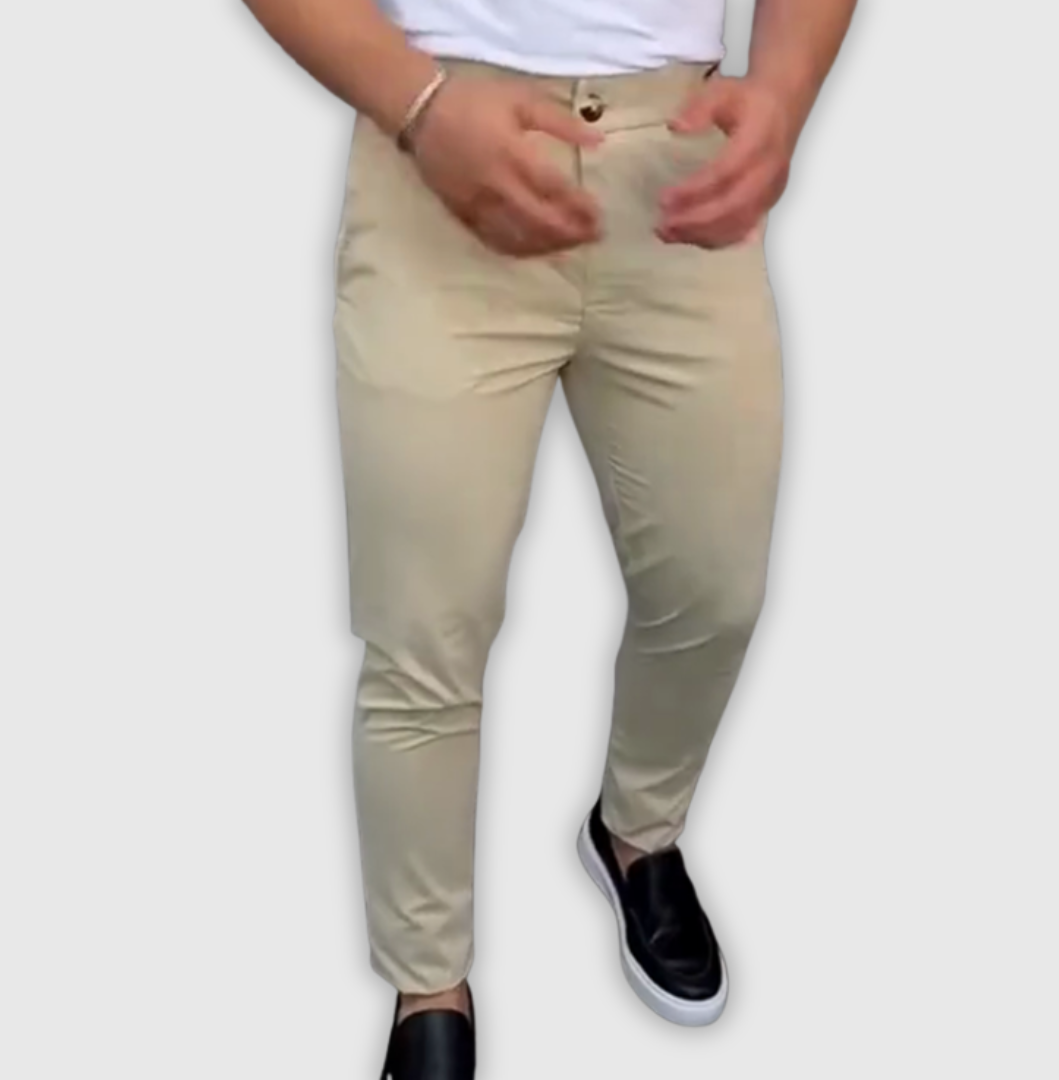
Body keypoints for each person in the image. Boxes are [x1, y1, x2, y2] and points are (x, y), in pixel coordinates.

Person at [241, 0, 856, 1075]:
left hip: (677, 167)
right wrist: (419, 106)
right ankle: (428, 983)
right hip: (437, 152)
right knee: (423, 634)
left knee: (715, 589)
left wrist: (786, 93)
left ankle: (637, 829)